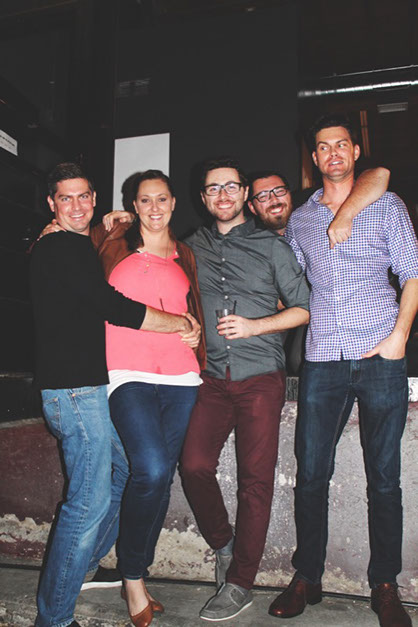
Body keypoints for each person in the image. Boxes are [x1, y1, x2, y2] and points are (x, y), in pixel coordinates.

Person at [268, 114, 418, 627]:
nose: (332, 153)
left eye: (341, 145)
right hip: (323, 359)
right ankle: (307, 576)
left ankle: (385, 585)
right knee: (311, 475)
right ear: (313, 157)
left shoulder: (386, 205)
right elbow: (289, 282)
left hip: (380, 355)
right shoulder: (301, 220)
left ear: (355, 152)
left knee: (384, 480)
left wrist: (399, 338)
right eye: (323, 146)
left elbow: (413, 274)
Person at [30, 163, 195, 627]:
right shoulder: (59, 246)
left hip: (89, 387)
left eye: (83, 196)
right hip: (73, 391)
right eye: (65, 198)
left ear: (95, 198)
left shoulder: (80, 244)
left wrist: (118, 220)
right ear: (51, 204)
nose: (76, 205)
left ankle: (76, 566)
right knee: (88, 504)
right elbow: (113, 307)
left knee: (129, 469)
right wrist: (178, 323)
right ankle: (54, 618)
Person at [178, 157, 310, 622]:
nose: (223, 195)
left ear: (244, 194)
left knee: (256, 482)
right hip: (211, 378)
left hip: (260, 378)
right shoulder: (188, 248)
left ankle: (240, 582)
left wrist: (255, 326)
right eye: (213, 188)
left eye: (231, 187)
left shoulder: (272, 246)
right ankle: (223, 543)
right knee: (193, 465)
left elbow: (304, 308)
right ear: (203, 197)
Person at [89, 170, 205, 627]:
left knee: (161, 478)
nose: (154, 207)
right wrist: (93, 223)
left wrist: (195, 332)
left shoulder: (186, 254)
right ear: (133, 205)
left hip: (181, 375)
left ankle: (136, 572)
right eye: (145, 200)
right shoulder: (113, 242)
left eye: (161, 199)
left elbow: (190, 308)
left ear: (173, 203)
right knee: (151, 469)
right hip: (125, 371)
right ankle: (132, 577)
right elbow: (70, 250)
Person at [246, 167, 390, 374]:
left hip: (349, 317)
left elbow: (380, 175)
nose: (274, 200)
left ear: (289, 193)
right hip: (292, 319)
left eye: (279, 191)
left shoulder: (312, 209)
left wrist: (346, 214)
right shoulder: (252, 245)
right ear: (252, 206)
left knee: (299, 358)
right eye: (263, 196)